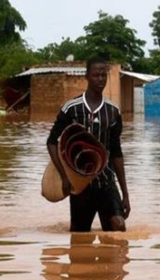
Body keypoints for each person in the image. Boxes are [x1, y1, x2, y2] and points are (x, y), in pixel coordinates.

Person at [46, 57, 130, 232]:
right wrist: (64, 177)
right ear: (87, 77)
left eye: (103, 75)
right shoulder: (71, 108)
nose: (100, 79)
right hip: (80, 185)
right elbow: (52, 142)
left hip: (106, 182)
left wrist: (125, 194)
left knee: (119, 227)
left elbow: (116, 152)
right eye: (96, 75)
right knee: (79, 237)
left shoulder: (113, 111)